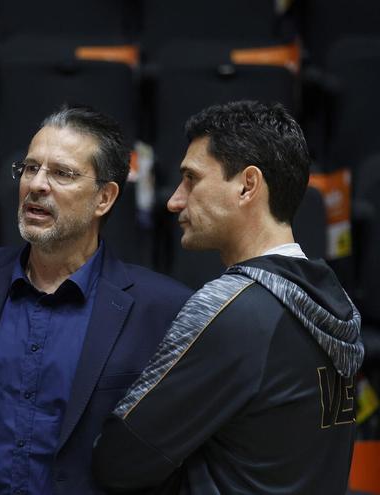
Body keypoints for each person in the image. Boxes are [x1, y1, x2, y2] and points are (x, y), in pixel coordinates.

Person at [0, 106, 192, 494]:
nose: (37, 185)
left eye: (61, 173)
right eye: (30, 168)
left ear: (104, 198)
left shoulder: (161, 310)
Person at [92, 100, 364, 494]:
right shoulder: (332, 300)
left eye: (192, 179)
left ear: (247, 185)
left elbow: (118, 462)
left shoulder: (235, 309)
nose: (175, 201)